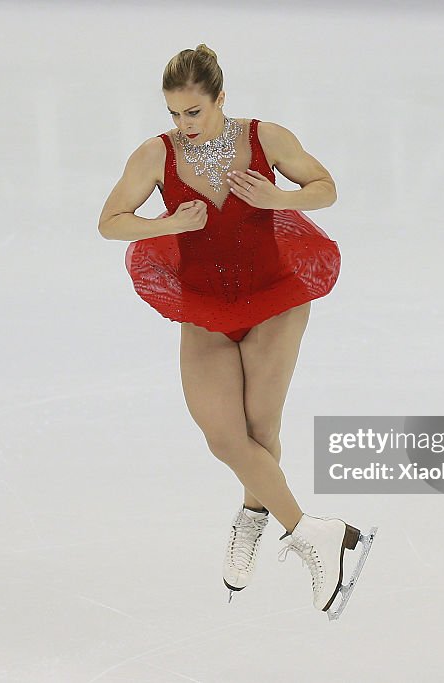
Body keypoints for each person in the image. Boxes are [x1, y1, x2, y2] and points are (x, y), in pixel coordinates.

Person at [98, 44, 375, 619]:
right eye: (175, 114)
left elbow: (326, 186)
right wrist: (167, 221)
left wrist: (281, 197)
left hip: (274, 298)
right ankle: (316, 533)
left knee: (259, 427)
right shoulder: (157, 155)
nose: (183, 126)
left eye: (193, 113)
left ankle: (255, 520)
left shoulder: (265, 138)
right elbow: (109, 222)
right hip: (204, 306)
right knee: (225, 437)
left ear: (220, 99)